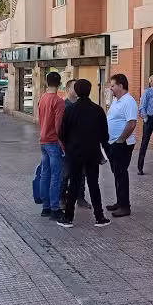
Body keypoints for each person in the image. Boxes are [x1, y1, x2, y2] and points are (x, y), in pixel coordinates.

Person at [58, 79, 111, 228]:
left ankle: (68, 218)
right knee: (94, 183)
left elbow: (62, 133)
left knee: (74, 182)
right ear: (89, 90)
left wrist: (70, 145)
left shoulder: (69, 110)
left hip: (74, 152)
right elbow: (104, 135)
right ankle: (99, 217)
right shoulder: (98, 110)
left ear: (76, 90)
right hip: (93, 151)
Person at [105, 73, 138, 218]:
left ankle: (125, 206)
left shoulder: (128, 101)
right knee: (117, 173)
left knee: (122, 174)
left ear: (121, 86)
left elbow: (131, 123)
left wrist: (121, 140)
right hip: (113, 143)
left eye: (113, 85)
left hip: (122, 144)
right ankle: (119, 202)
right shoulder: (116, 101)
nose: (111, 88)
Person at [38, 71, 66, 219]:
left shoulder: (42, 98)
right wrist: (63, 145)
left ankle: (45, 207)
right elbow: (58, 126)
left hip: (43, 140)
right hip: (54, 142)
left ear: (46, 83)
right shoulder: (59, 101)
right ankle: (55, 208)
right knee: (56, 176)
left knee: (45, 174)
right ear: (59, 83)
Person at [61, 79, 89, 211]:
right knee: (66, 173)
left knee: (82, 173)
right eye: (74, 87)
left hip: (82, 146)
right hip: (68, 146)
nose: (77, 89)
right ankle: (62, 197)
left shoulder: (82, 105)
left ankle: (81, 198)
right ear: (68, 90)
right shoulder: (63, 106)